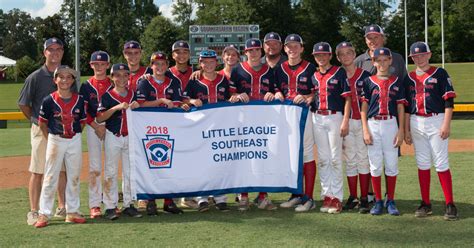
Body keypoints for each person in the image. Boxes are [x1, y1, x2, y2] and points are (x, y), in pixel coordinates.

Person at [404, 42, 458, 220]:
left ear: (429, 55)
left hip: (437, 120)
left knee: (441, 162)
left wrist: (446, 124)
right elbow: (405, 107)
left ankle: (450, 203)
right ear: (412, 58)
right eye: (415, 56)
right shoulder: (409, 77)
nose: (419, 58)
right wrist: (406, 130)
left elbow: (449, 101)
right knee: (422, 162)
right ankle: (425, 203)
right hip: (415, 120)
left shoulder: (440, 73)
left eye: (422, 55)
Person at [354, 24, 407, 203]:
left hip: (391, 119)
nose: (372, 40)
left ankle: (388, 197)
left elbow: (404, 89)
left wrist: (403, 128)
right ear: (365, 40)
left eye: (376, 36)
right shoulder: (359, 60)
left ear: (383, 38)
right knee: (371, 160)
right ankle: (371, 195)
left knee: (390, 159)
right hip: (369, 119)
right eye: (369, 37)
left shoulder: (397, 59)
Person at [18, 37, 68, 225]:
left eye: (58, 49)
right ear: (44, 52)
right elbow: (23, 104)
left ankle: (62, 206)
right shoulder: (35, 77)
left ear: (62, 52)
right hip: (41, 128)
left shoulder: (68, 75)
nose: (54, 52)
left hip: (62, 129)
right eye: (50, 49)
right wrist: (37, 121)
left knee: (62, 170)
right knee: (38, 171)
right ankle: (33, 210)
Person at [34, 65, 86, 228]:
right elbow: (42, 124)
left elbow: (82, 122)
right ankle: (44, 213)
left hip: (74, 138)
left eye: (69, 77)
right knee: (50, 176)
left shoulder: (80, 99)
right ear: (55, 80)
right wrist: (51, 139)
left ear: (73, 80)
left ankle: (72, 211)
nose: (65, 80)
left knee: (74, 175)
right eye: (61, 77)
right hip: (55, 139)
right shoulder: (49, 100)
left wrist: (74, 135)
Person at [136, 52, 188, 215]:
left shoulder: (173, 82)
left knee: (170, 163)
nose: (159, 67)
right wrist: (160, 102)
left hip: (169, 127)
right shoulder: (144, 82)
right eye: (156, 64)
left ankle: (168, 201)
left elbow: (179, 102)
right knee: (151, 163)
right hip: (148, 128)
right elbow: (140, 104)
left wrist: (184, 105)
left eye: (162, 64)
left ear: (167, 65)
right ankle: (151, 200)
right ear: (151, 66)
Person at [228, 38, 277, 211]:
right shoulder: (237, 70)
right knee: (244, 158)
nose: (254, 53)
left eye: (257, 50)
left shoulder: (269, 70)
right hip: (243, 120)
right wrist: (236, 96)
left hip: (264, 120)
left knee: (263, 156)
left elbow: (276, 90)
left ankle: (262, 195)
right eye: (250, 50)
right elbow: (231, 94)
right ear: (245, 53)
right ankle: (243, 195)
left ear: (261, 52)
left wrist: (274, 94)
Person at [182, 49, 232, 212]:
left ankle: (220, 198)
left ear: (216, 63)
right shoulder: (194, 81)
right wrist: (190, 100)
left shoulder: (223, 80)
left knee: (220, 162)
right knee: (201, 163)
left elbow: (233, 95)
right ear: (200, 63)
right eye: (205, 61)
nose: (208, 64)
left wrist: (236, 96)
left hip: (220, 127)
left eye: (211, 61)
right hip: (200, 128)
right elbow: (183, 99)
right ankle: (202, 198)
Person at [274, 34, 317, 212]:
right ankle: (296, 194)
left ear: (301, 48)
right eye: (289, 46)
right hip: (286, 116)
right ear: (285, 49)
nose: (292, 49)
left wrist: (308, 96)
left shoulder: (310, 67)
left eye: (295, 46)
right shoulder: (280, 68)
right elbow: (274, 87)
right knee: (292, 155)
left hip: (305, 115)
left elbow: (318, 91)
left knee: (307, 153)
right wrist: (276, 92)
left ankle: (308, 197)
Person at [97, 63, 142, 220]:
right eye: (118, 75)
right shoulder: (108, 96)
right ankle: (110, 206)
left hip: (130, 137)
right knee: (111, 170)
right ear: (112, 77)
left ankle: (129, 204)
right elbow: (100, 117)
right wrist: (116, 108)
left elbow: (140, 114)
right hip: (113, 135)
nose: (122, 78)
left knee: (130, 171)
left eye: (125, 75)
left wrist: (137, 107)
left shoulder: (132, 94)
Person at [311, 42, 352, 214]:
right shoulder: (313, 75)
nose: (321, 58)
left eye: (324, 54)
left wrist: (345, 121)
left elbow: (348, 98)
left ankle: (337, 197)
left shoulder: (339, 72)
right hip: (317, 117)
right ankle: (327, 195)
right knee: (323, 159)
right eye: (317, 55)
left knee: (335, 158)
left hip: (335, 116)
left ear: (329, 56)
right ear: (314, 57)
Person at [335, 41, 372, 214]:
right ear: (338, 58)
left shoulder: (365, 75)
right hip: (346, 122)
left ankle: (364, 197)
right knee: (350, 159)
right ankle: (353, 196)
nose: (345, 57)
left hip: (363, 122)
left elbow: (369, 101)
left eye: (348, 53)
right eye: (341, 54)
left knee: (363, 159)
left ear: (354, 54)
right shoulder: (337, 75)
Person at [79, 51, 113, 219]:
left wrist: (107, 126)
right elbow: (83, 110)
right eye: (96, 64)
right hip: (93, 127)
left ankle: (110, 203)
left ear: (108, 65)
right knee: (94, 167)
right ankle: (94, 204)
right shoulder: (86, 86)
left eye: (103, 64)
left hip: (112, 127)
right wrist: (94, 125)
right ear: (91, 65)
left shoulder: (114, 83)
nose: (99, 67)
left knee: (110, 167)